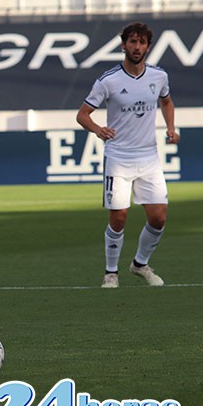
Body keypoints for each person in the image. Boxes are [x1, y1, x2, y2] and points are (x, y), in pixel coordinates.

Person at [76, 22, 178, 289]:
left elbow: (166, 101)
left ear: (148, 47)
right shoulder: (108, 80)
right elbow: (82, 115)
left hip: (149, 158)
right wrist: (98, 130)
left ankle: (140, 264)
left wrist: (170, 127)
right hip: (119, 156)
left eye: (141, 42)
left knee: (159, 217)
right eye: (132, 42)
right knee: (119, 216)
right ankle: (111, 273)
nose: (136, 47)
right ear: (123, 45)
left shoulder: (159, 77)